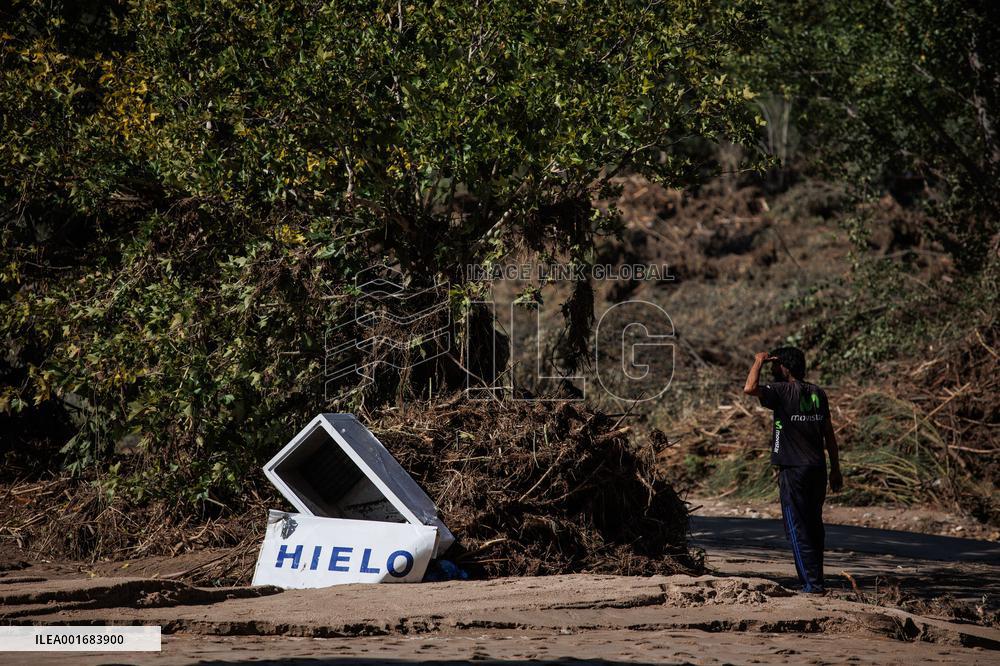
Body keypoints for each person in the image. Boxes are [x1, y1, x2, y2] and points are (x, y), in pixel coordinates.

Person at [743, 347, 843, 594]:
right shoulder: (817, 393)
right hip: (817, 469)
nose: (773, 369)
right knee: (814, 526)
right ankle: (815, 580)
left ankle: (812, 585)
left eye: (776, 365)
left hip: (794, 471)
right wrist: (836, 469)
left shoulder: (780, 391)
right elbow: (829, 435)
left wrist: (758, 361)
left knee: (797, 527)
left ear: (784, 367)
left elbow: (749, 388)